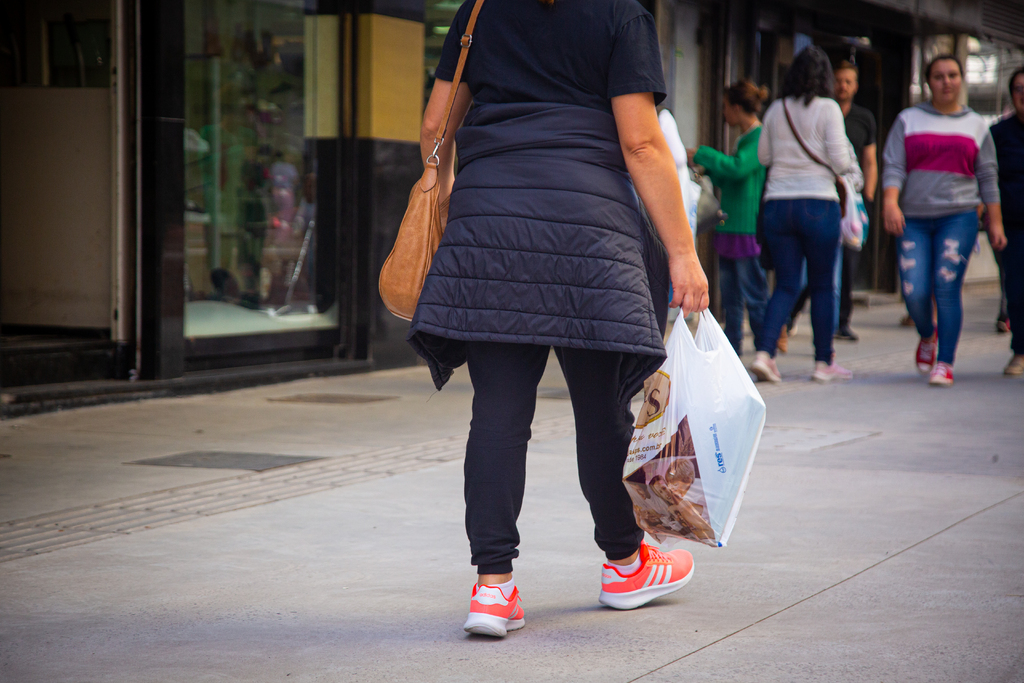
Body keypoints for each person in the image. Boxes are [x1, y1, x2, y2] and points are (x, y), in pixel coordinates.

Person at [408, 0, 709, 637]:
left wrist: (488, 189)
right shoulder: (620, 16)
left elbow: (436, 125)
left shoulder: (479, 9)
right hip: (588, 232)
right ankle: (626, 563)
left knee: (497, 411)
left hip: (488, 229)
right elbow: (641, 142)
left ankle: (492, 588)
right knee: (601, 409)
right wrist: (683, 254)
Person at [882, 54, 1006, 387]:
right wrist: (890, 203)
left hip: (960, 217)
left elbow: (987, 175)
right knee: (914, 291)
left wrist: (995, 223)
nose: (946, 81)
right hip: (914, 219)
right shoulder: (908, 119)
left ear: (961, 80)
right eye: (938, 76)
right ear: (928, 82)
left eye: (952, 75)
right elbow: (894, 165)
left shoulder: (976, 125)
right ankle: (927, 334)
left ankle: (945, 363)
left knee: (946, 287)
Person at [751, 46, 856, 384]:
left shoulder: (775, 110)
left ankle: (765, 355)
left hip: (778, 205)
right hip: (818, 203)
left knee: (785, 284)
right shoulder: (829, 109)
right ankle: (823, 363)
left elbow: (764, 157)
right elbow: (841, 161)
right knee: (823, 285)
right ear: (825, 77)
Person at [686, 81, 769, 356]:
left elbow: (737, 169)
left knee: (754, 295)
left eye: (724, 107)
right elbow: (731, 176)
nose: (723, 113)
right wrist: (705, 171)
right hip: (731, 225)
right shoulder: (744, 138)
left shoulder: (758, 137)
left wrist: (701, 154)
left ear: (735, 107)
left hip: (746, 228)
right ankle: (732, 353)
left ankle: (764, 351)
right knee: (731, 298)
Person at [990, 66, 1024, 376]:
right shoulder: (999, 134)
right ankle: (1020, 351)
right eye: (1018, 89)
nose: (1023, 95)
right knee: (1016, 288)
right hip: (1013, 226)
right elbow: (989, 180)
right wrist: (994, 222)